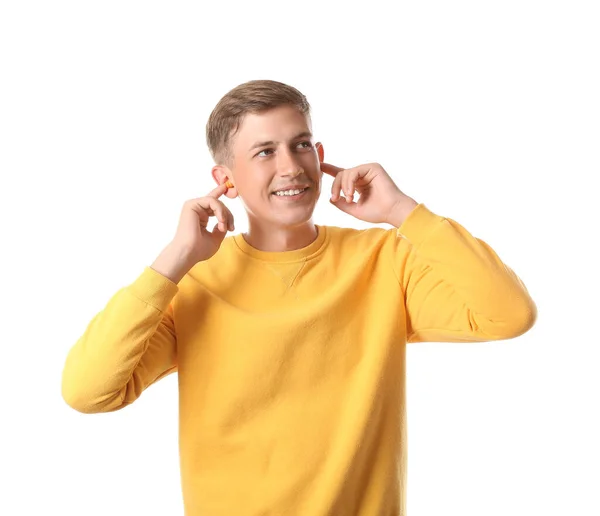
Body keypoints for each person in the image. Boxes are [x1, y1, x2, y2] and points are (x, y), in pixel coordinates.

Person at [61, 79, 537, 515]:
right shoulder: (193, 285)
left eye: (301, 145)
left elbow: (508, 315)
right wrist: (176, 256)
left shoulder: (385, 261)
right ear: (225, 179)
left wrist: (401, 210)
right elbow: (87, 391)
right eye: (265, 152)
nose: (291, 166)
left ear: (320, 153)